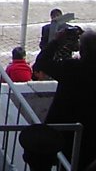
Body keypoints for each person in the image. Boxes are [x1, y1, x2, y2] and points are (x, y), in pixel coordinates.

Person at [33, 26, 96, 165]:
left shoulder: (71, 68)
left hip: (64, 128)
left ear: (81, 50)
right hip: (91, 132)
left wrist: (56, 41)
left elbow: (41, 63)